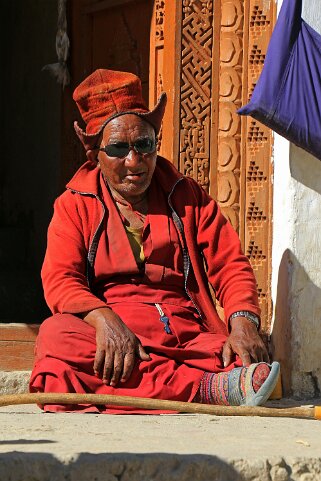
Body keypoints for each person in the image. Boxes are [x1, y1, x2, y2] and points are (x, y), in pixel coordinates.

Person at [29, 69, 280, 413]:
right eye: (118, 148)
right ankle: (204, 389)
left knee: (242, 351)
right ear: (94, 155)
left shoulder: (187, 194)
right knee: (56, 337)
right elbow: (60, 281)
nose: (134, 161)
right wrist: (104, 319)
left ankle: (154, 387)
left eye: (144, 145)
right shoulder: (74, 204)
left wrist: (242, 324)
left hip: (185, 337)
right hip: (117, 340)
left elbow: (230, 265)